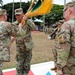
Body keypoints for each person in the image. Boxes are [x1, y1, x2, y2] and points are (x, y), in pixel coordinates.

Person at [53, 1, 75, 75]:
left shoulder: (67, 25)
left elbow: (64, 47)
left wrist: (59, 67)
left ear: (69, 11)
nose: (64, 14)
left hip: (69, 67)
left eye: (65, 11)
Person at [0, 9, 24, 75]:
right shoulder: (6, 25)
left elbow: (3, 38)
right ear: (4, 16)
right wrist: (20, 26)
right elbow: (20, 33)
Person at [12, 8, 35, 75]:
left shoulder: (28, 22)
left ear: (23, 15)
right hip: (19, 47)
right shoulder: (14, 24)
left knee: (27, 64)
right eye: (16, 15)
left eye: (19, 15)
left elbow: (34, 28)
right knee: (19, 63)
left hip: (28, 46)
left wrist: (27, 20)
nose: (17, 17)